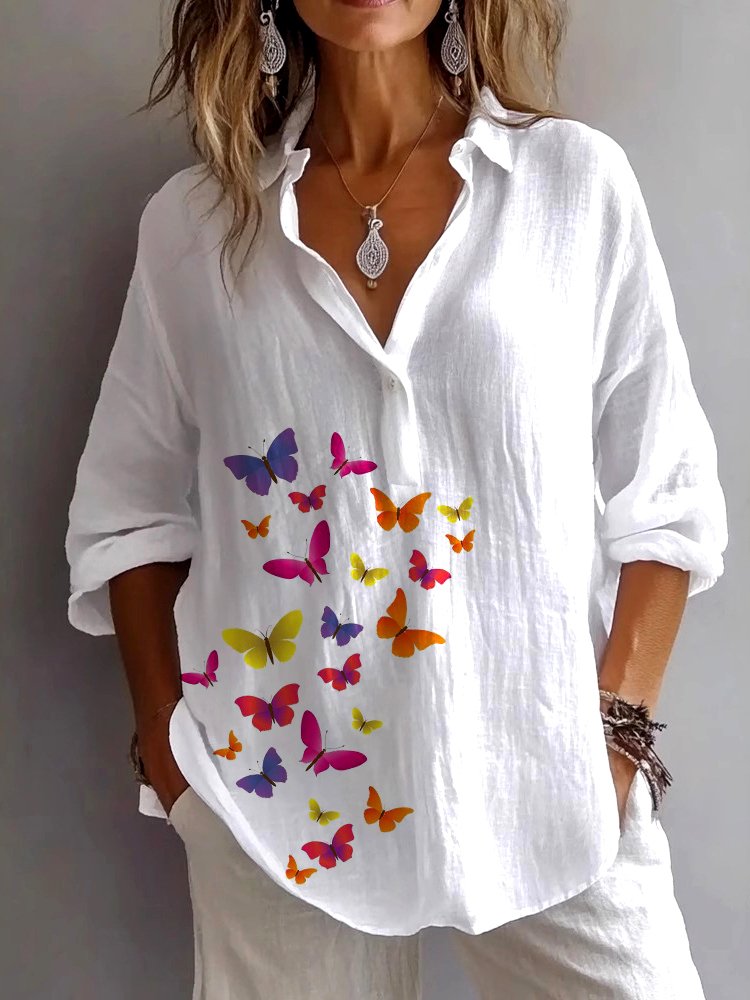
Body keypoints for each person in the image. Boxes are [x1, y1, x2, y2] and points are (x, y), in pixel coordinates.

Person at [65, 1, 729, 997]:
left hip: (549, 777)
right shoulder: (194, 228)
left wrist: (616, 738)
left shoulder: (572, 186)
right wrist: (172, 754)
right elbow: (128, 513)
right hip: (279, 807)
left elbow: (667, 490)